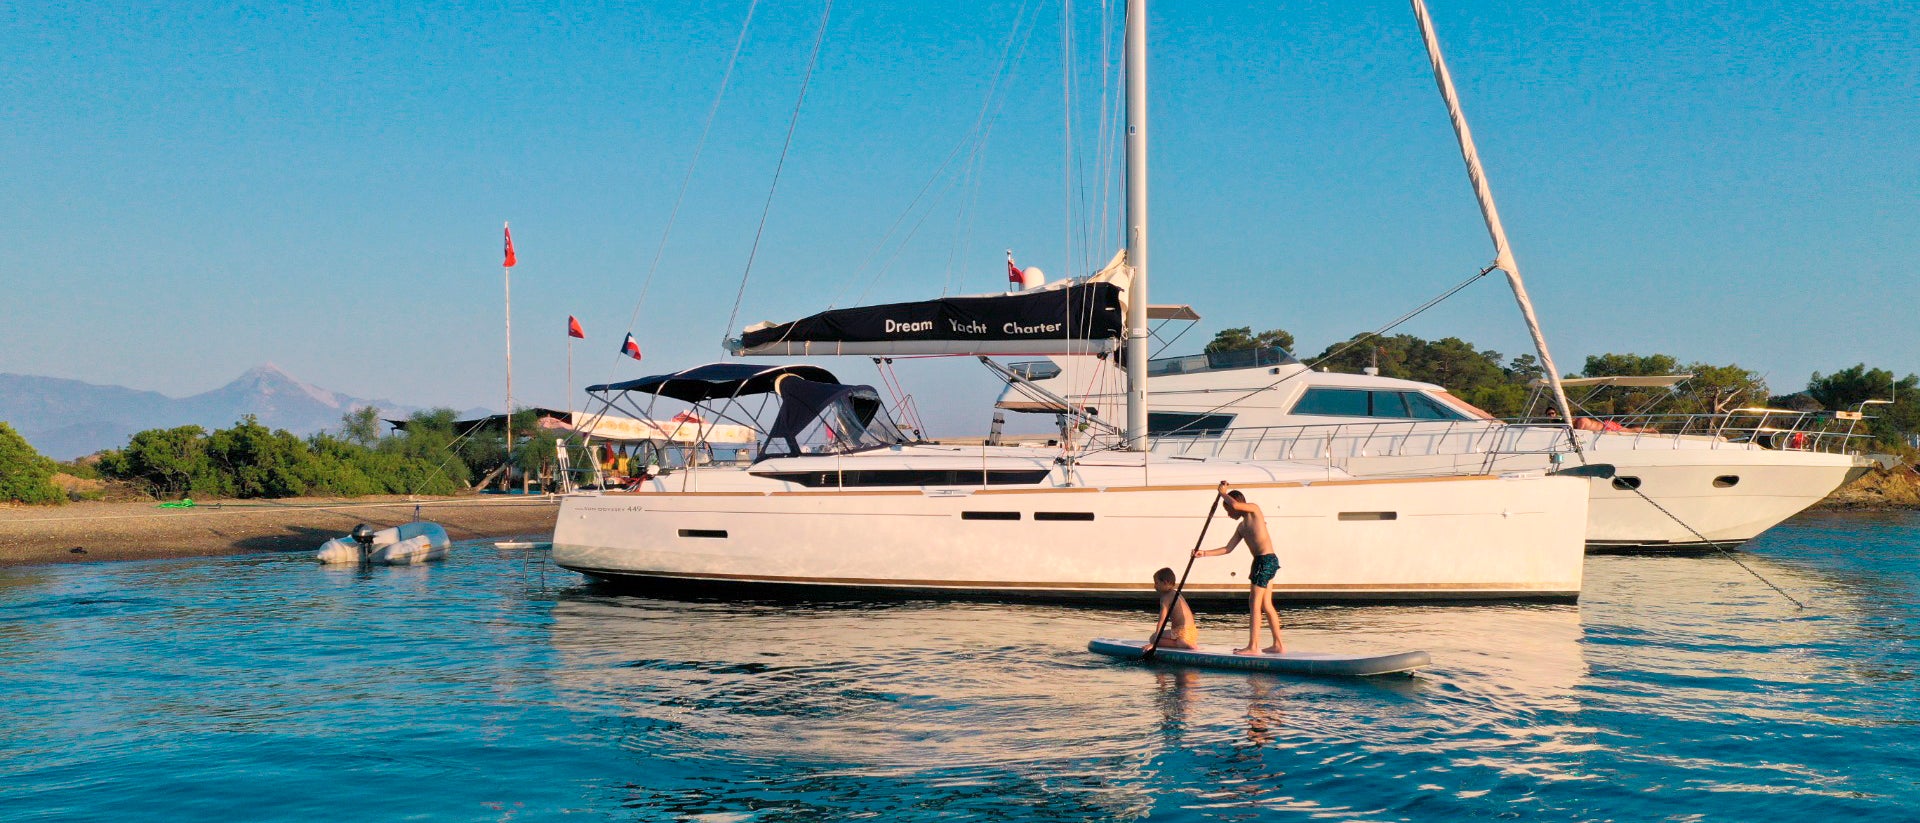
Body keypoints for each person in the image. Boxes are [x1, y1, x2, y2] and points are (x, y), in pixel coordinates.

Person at [1193, 481, 1283, 655]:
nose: (1228, 513)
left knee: (1254, 604)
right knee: (1266, 604)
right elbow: (1227, 549)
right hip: (1266, 561)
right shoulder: (1241, 527)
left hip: (1265, 561)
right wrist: (1203, 553)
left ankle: (1253, 647)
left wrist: (1222, 493)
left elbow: (1234, 503)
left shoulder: (1255, 511)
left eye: (1227, 510)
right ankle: (1278, 645)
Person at [1144, 567, 1199, 652]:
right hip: (1192, 631)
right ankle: (1183, 641)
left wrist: (1155, 641)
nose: (1154, 586)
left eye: (1156, 583)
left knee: (1152, 638)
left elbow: (1161, 621)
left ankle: (1180, 643)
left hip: (1181, 631)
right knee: (1158, 637)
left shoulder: (1165, 597)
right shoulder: (1176, 593)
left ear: (1165, 582)